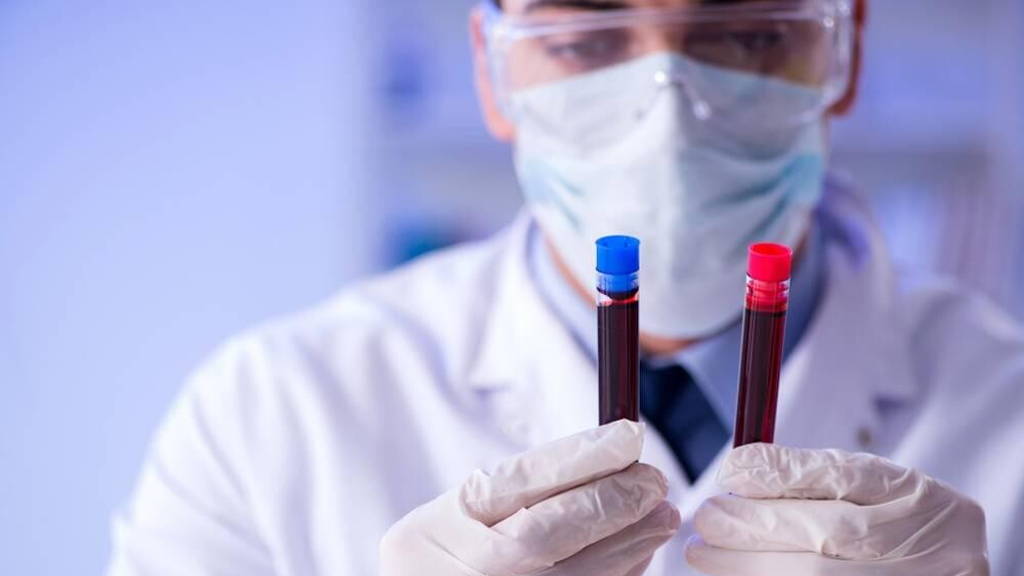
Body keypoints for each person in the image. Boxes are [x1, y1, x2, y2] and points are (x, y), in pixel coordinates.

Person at [108, 0, 1024, 574]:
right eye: (588, 39)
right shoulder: (265, 415)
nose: (666, 113)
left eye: (746, 34)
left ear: (844, 50)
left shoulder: (1006, 406)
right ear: (492, 69)